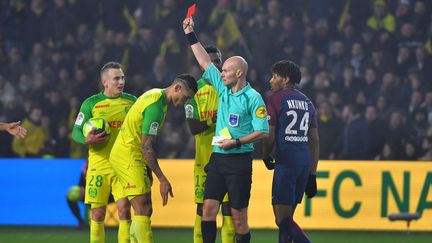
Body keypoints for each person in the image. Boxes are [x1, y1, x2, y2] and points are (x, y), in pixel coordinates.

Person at [183, 17, 269, 243]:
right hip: (218, 159)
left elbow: (263, 131)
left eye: (226, 70)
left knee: (239, 218)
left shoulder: (253, 98)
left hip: (239, 160)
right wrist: (190, 33)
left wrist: (237, 142)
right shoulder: (222, 88)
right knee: (208, 210)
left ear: (239, 73)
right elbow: (203, 61)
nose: (221, 73)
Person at [109, 73, 198, 243]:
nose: (185, 102)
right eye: (185, 97)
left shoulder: (155, 95)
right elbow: (146, 146)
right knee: (143, 209)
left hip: (129, 155)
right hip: (129, 156)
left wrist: (147, 169)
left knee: (143, 210)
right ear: (177, 88)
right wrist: (162, 179)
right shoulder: (156, 106)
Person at [72, 61, 136, 243]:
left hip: (124, 166)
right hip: (99, 165)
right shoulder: (91, 104)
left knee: (124, 210)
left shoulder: (132, 101)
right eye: (116, 78)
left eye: (122, 77)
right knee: (97, 213)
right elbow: (76, 131)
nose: (121, 81)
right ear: (105, 82)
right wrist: (87, 139)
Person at [262, 60, 319, 243]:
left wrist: (265, 154)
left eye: (275, 76)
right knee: (288, 220)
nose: (271, 80)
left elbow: (269, 137)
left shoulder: (274, 99)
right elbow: (315, 140)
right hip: (303, 164)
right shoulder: (308, 102)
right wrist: (312, 174)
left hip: (286, 162)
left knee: (282, 219)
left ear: (285, 79)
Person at [184, 45, 235, 243]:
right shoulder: (194, 91)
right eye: (211, 61)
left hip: (228, 158)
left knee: (229, 208)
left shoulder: (230, 89)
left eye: (218, 61)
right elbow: (193, 128)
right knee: (202, 207)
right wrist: (212, 120)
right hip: (204, 161)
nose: (215, 65)